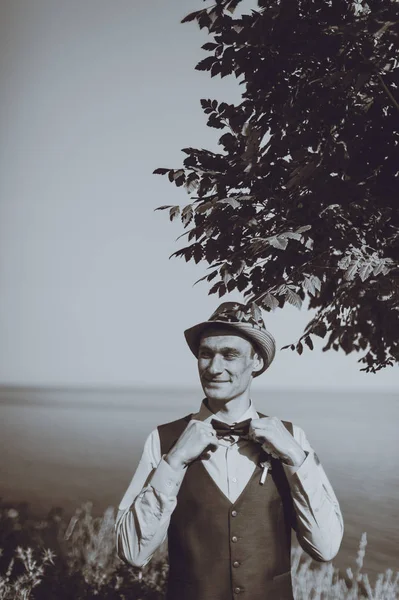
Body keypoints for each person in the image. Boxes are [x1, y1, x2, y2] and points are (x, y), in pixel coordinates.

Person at [115, 302, 344, 600]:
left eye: (230, 355)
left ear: (257, 362)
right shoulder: (164, 440)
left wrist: (296, 459)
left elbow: (325, 549)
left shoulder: (292, 438)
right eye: (206, 354)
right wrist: (174, 462)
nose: (213, 368)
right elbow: (132, 552)